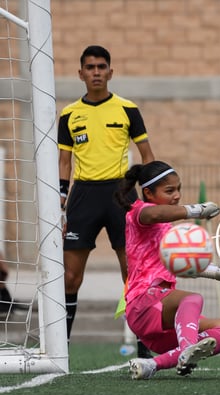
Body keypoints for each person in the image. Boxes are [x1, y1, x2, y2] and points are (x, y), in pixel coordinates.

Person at [58, 45, 154, 358]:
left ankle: (145, 349)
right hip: (83, 196)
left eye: (101, 67)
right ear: (81, 74)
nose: (96, 72)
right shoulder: (69, 114)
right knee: (70, 277)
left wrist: (149, 198)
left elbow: (147, 157)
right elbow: (64, 163)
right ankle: (62, 349)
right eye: (90, 67)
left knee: (134, 274)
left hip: (121, 195)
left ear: (110, 73)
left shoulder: (128, 109)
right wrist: (60, 203)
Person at [115, 160, 220, 379]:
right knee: (192, 299)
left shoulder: (166, 227)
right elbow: (156, 214)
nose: (177, 195)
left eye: (179, 189)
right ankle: (186, 349)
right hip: (142, 303)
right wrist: (196, 211)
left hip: (161, 318)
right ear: (148, 192)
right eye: (169, 190)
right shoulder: (139, 213)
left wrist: (217, 272)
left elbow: (183, 264)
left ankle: (151, 365)